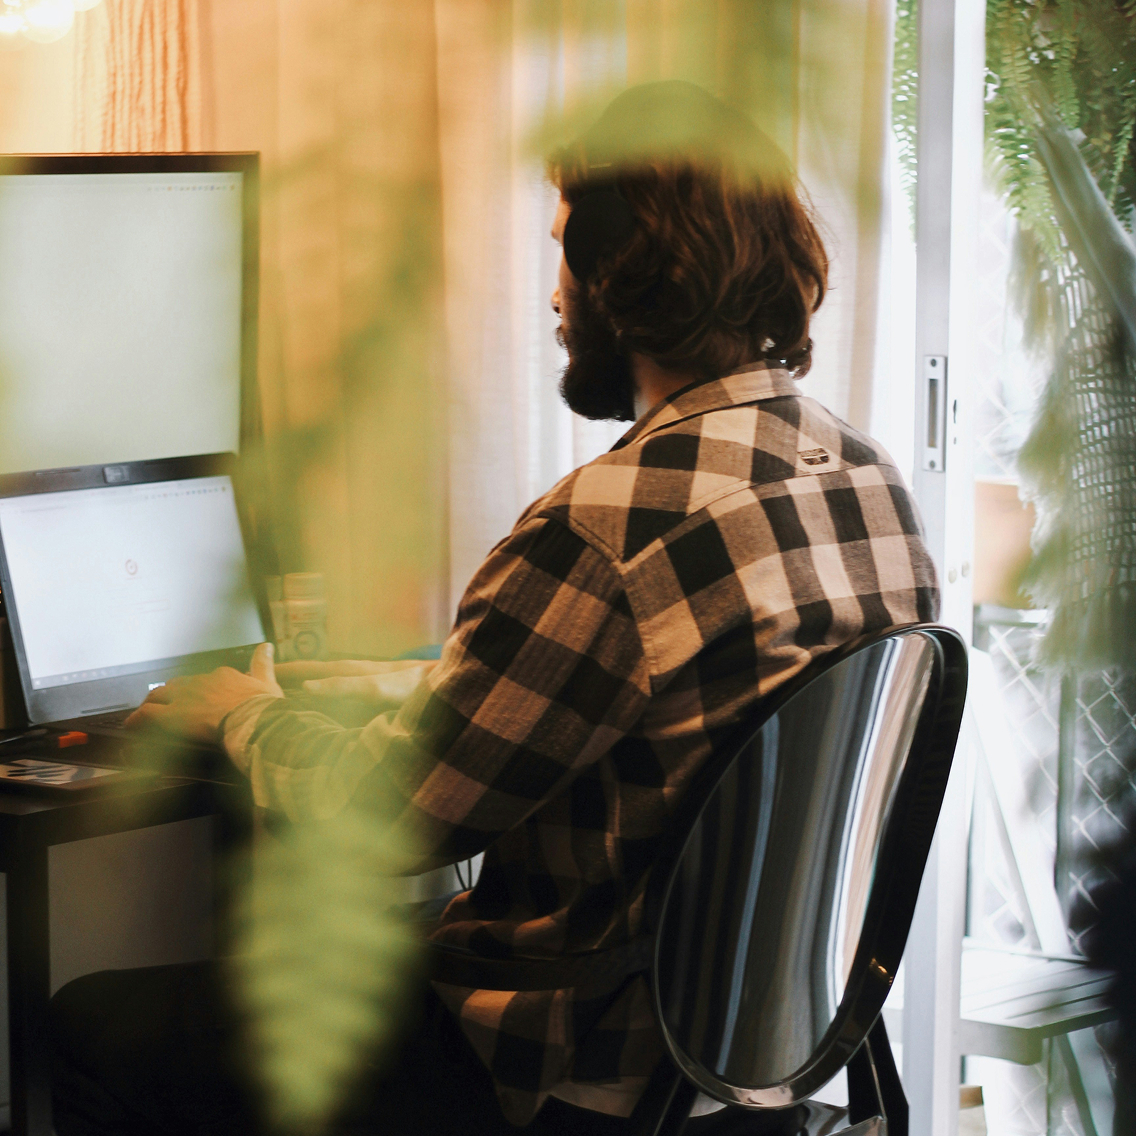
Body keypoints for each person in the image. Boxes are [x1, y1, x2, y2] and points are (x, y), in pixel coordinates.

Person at [49, 81, 938, 1135]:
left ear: (621, 280)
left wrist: (239, 713)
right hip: (760, 1070)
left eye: (562, 254)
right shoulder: (867, 480)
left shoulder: (608, 525)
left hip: (566, 1067)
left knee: (95, 1021)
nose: (552, 299)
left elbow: (390, 820)